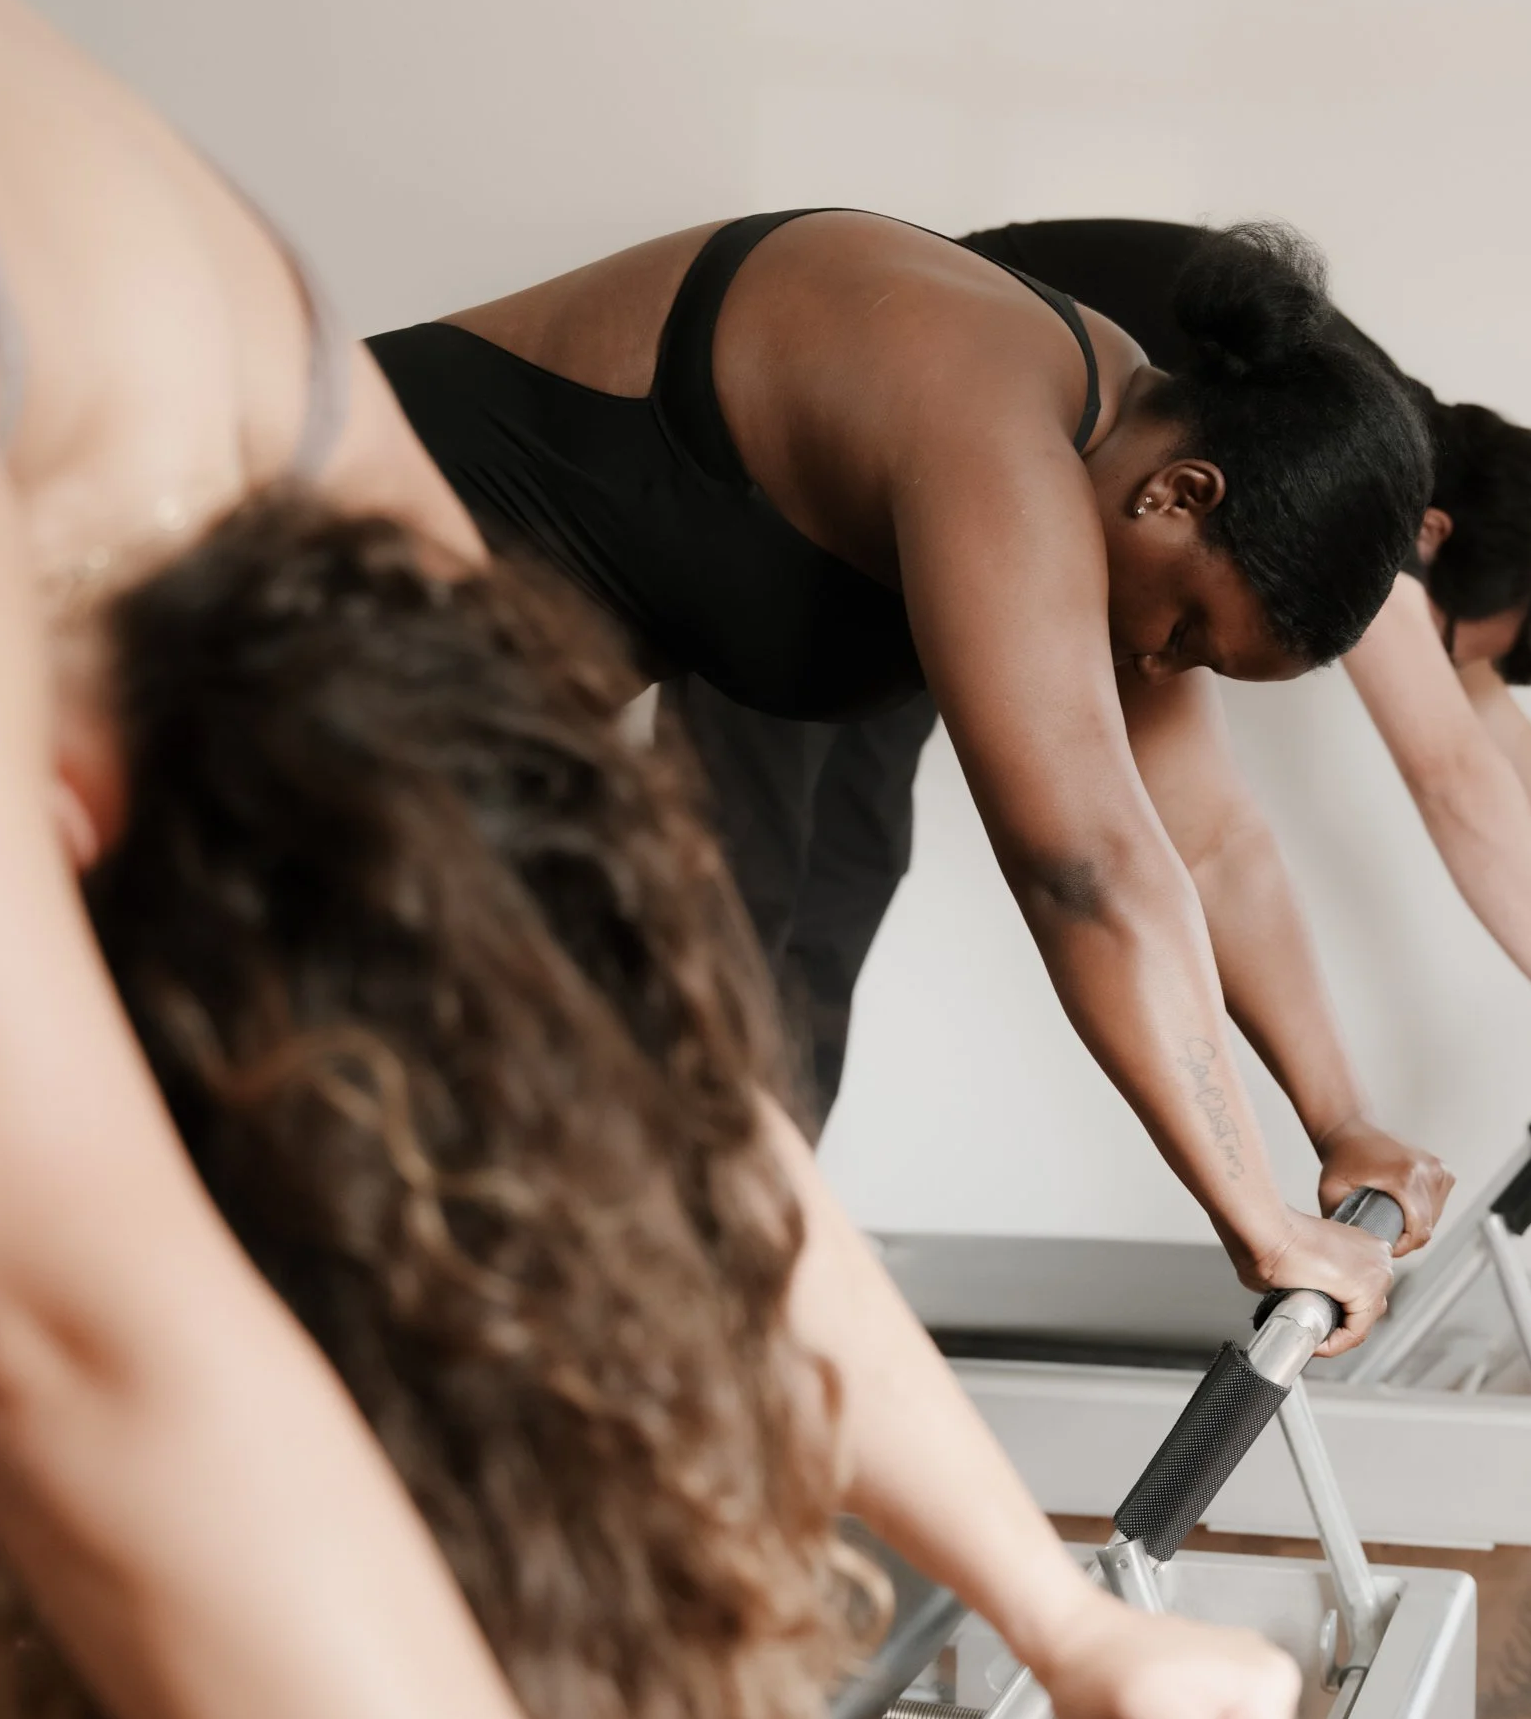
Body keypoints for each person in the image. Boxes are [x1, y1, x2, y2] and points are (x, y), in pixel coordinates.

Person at [0, 0, 1299, 1719]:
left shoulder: (262, 389)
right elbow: (64, 1323)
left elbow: (650, 1078)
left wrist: (1059, 1615)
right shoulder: (27, 400)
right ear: (70, 846)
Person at [373, 212, 1455, 1305]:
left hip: (433, 721)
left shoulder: (1113, 471)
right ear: (1181, 494)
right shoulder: (998, 421)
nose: (1155, 662)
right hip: (308, 585)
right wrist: (1259, 1222)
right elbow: (1085, 870)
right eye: (1184, 632)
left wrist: (1340, 1119)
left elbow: (1211, 841)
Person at [725, 213, 1531, 1127]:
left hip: (940, 524)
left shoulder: (1363, 430)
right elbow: (1451, 772)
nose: (1438, 674)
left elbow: (1490, 739)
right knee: (754, 892)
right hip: (835, 481)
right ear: (1432, 537)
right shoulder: (1343, 475)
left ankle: (752, 1237)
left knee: (843, 872)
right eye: (1448, 644)